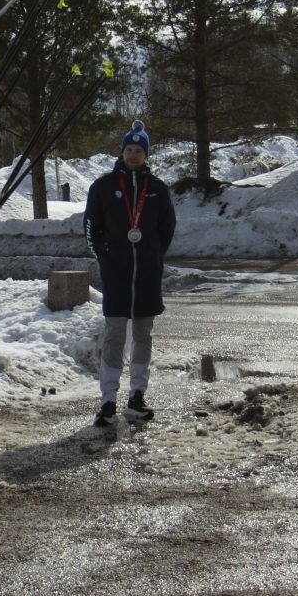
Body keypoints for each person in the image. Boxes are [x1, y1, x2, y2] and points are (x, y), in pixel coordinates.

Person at [85, 122, 176, 426]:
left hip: (147, 275)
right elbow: (91, 227)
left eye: (139, 150)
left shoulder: (158, 189)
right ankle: (108, 400)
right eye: (129, 149)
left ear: (146, 154)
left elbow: (167, 228)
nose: (134, 154)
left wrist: (151, 254)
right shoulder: (103, 186)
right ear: (122, 152)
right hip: (117, 273)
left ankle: (137, 395)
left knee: (143, 335)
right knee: (114, 335)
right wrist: (105, 256)